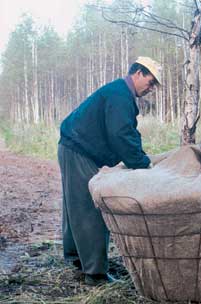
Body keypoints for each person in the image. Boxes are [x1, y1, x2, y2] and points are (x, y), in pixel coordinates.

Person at [58, 56, 162, 286]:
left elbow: (124, 133)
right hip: (78, 148)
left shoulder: (119, 92)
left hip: (73, 145)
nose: (151, 88)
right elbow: (121, 135)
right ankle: (95, 274)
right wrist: (142, 164)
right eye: (151, 81)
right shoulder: (120, 95)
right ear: (137, 73)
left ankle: (76, 257)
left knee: (74, 203)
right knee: (90, 206)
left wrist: (137, 157)